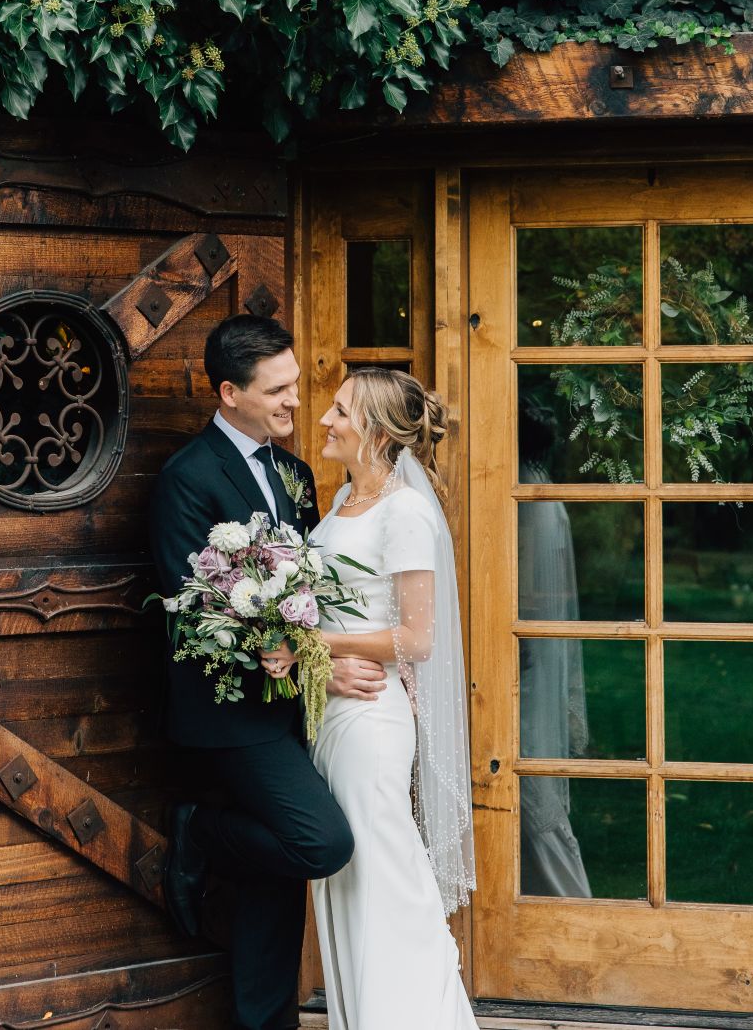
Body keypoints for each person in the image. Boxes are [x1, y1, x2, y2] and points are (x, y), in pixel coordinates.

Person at [149, 314, 357, 1030]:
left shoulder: (295, 474)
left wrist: (322, 660)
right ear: (229, 392)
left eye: (296, 385)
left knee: (277, 882)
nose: (295, 401)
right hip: (227, 714)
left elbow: (310, 590)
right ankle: (201, 830)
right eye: (278, 391)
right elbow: (190, 603)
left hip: (294, 707)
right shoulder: (187, 477)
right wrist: (278, 651)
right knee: (320, 842)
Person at [288, 367, 479, 1030]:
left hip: (371, 720)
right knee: (348, 882)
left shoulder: (405, 512)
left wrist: (318, 649)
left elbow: (417, 638)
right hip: (332, 714)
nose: (325, 420)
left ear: (373, 429)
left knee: (384, 877)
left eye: (339, 410)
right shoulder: (341, 502)